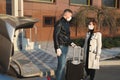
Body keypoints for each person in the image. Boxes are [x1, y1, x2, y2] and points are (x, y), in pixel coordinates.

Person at [53, 9, 77, 80]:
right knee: (61, 66)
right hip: (61, 46)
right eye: (70, 15)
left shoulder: (66, 23)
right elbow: (55, 36)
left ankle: (62, 78)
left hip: (65, 46)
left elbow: (66, 36)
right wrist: (57, 48)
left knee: (62, 66)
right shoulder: (59, 22)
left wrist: (71, 43)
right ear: (66, 14)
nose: (71, 17)